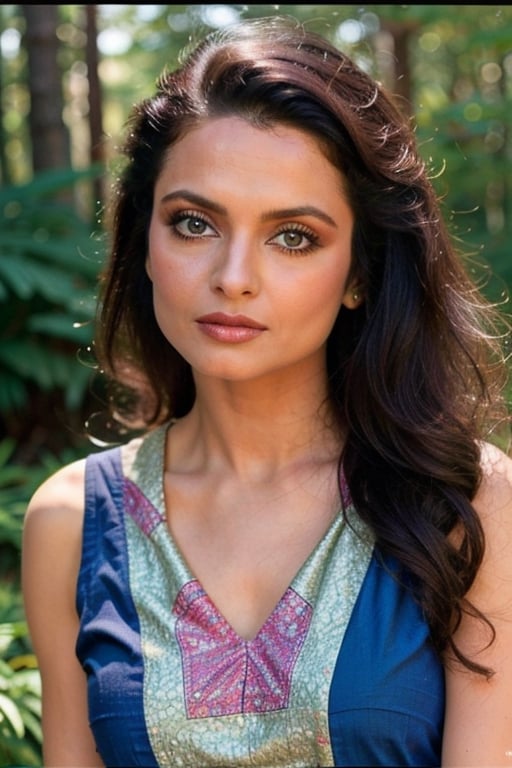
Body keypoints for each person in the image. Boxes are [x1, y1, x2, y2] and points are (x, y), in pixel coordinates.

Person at [22, 15, 512, 768]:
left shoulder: (469, 504)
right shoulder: (74, 522)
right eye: (193, 223)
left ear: (359, 273)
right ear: (142, 240)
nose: (234, 275)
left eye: (293, 236)